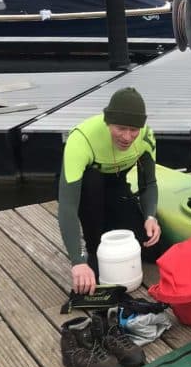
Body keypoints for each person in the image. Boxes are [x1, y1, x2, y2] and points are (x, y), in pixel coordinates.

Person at [57, 86, 162, 296]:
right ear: (108, 122)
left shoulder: (146, 136)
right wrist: (77, 262)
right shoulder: (81, 138)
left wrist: (150, 216)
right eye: (120, 128)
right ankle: (94, 245)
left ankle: (110, 224)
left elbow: (148, 183)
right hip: (86, 189)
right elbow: (67, 207)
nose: (127, 136)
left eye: (134, 129)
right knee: (93, 180)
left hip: (116, 184)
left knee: (150, 248)